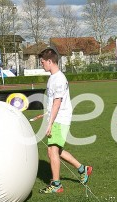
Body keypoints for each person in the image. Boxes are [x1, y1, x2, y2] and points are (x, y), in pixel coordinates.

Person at [33, 47, 91, 194]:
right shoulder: (53, 78)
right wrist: (47, 114)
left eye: (43, 62)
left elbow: (57, 103)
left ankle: (57, 185)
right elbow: (54, 102)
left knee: (52, 151)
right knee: (54, 150)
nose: (42, 65)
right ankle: (82, 168)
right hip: (57, 117)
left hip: (60, 119)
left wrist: (50, 123)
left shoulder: (58, 79)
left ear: (50, 61)